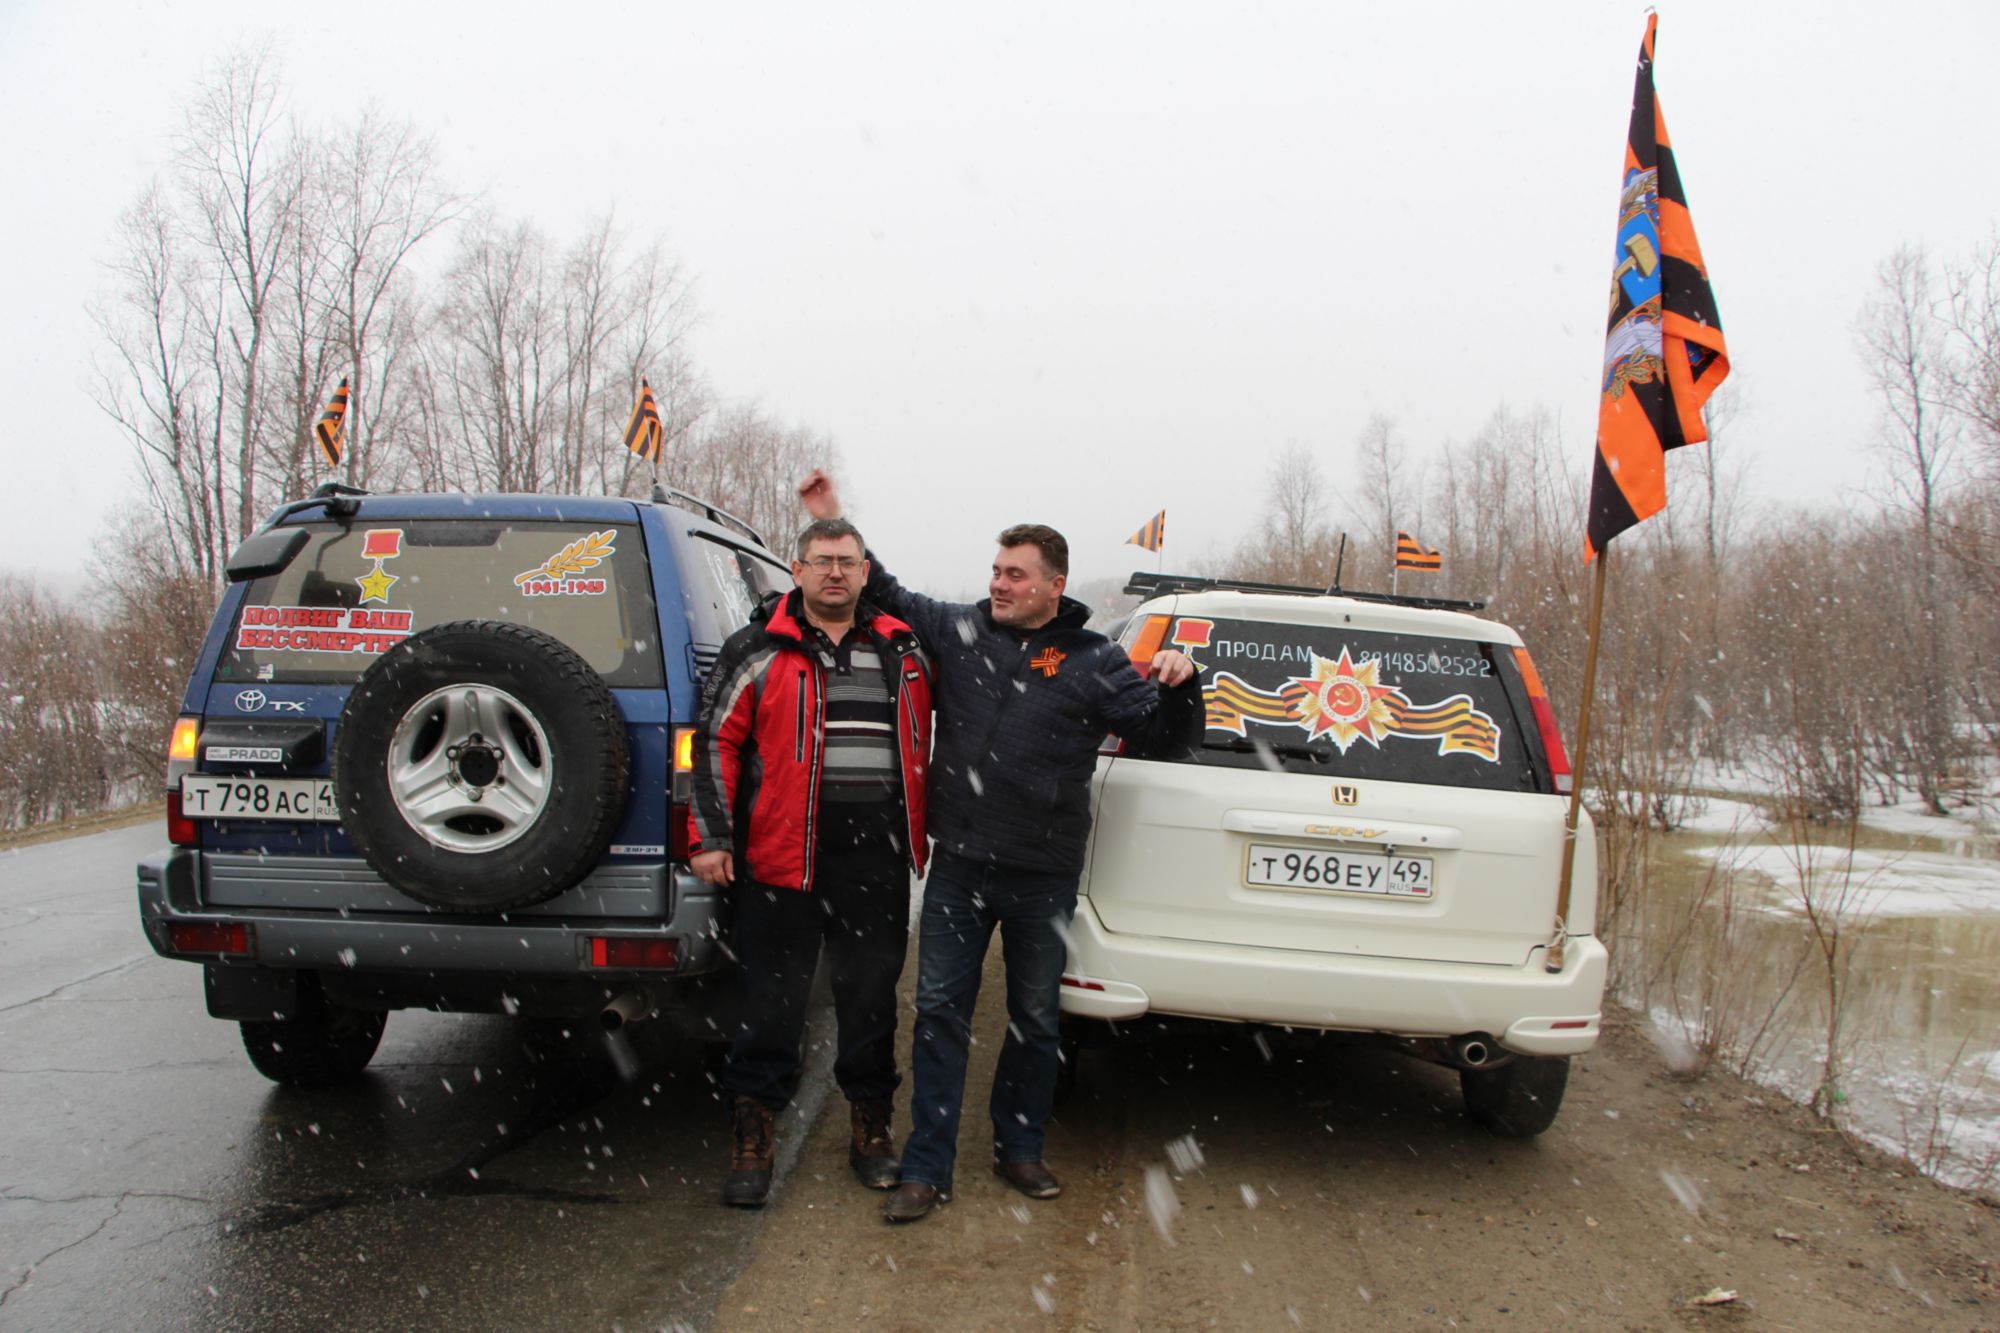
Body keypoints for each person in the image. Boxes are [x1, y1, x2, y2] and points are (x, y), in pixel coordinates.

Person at [797, 471, 1199, 1225]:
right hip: (960, 866)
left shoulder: (1094, 659)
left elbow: (1162, 739)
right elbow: (885, 589)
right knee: (939, 1014)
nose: (999, 584)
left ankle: (1019, 1148)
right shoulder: (960, 631)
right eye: (995, 570)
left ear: (1055, 585)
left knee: (1035, 1019)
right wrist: (834, 518)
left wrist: (1181, 683)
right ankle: (927, 1166)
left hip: (1043, 873)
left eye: (1015, 574)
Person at [687, 517, 933, 1208]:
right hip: (781, 856)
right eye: (822, 560)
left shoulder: (902, 646)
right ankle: (752, 1139)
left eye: (847, 561)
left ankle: (871, 1130)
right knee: (770, 1003)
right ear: (796, 570)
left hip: (876, 859)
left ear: (864, 571)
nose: (835, 572)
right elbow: (714, 741)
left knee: (870, 1000)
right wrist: (711, 837)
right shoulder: (757, 646)